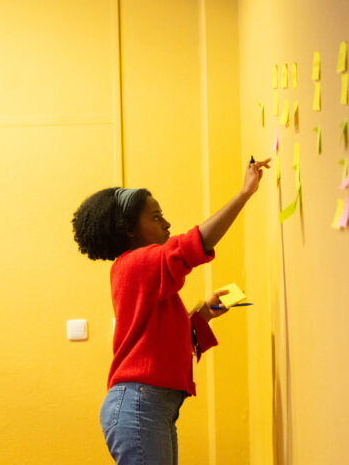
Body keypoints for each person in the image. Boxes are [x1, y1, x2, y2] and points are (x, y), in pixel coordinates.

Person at [71, 157, 270, 465]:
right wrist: (244, 194)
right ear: (129, 231)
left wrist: (203, 313)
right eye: (156, 216)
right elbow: (191, 246)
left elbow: (161, 341)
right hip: (139, 406)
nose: (166, 223)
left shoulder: (142, 276)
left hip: (148, 407)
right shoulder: (135, 265)